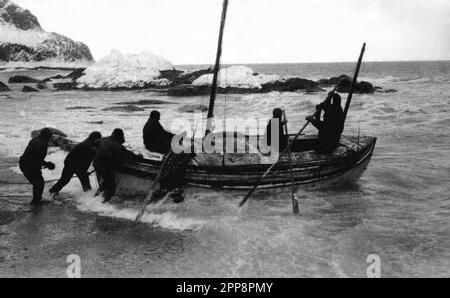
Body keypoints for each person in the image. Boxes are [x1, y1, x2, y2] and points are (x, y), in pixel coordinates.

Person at [93, 129, 142, 203]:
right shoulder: (117, 146)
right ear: (119, 137)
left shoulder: (102, 139)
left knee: (106, 182)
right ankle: (103, 204)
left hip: (96, 164)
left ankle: (94, 199)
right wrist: (139, 156)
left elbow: (95, 144)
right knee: (111, 186)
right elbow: (129, 155)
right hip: (104, 166)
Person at [49, 131, 102, 196]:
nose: (100, 140)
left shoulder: (91, 143)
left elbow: (86, 160)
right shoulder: (88, 146)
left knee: (84, 181)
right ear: (95, 139)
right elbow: (88, 159)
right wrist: (85, 170)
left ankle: (88, 197)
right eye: (99, 138)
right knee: (65, 180)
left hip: (78, 164)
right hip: (71, 163)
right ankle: (53, 191)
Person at [19, 128, 56, 205]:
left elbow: (35, 158)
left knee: (38, 183)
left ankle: (37, 200)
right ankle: (35, 202)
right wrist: (48, 164)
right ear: (47, 136)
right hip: (28, 165)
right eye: (50, 136)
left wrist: (45, 164)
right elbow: (36, 159)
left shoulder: (36, 139)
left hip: (26, 163)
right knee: (39, 183)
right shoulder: (41, 144)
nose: (51, 138)